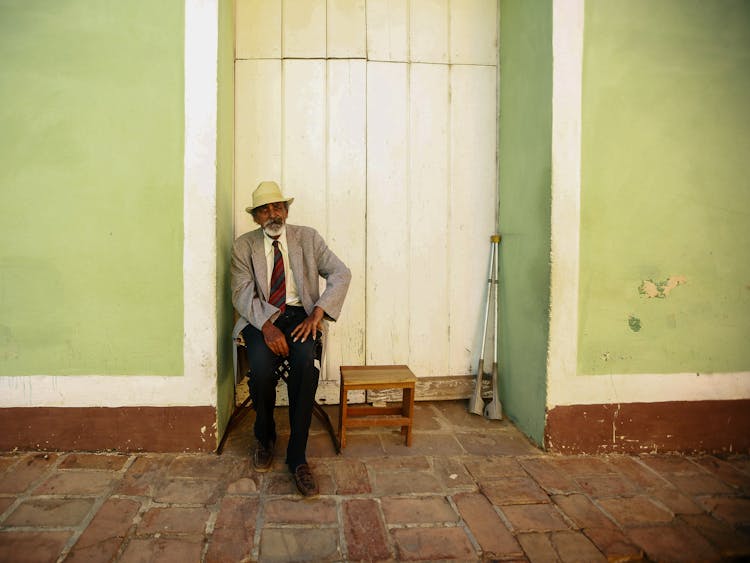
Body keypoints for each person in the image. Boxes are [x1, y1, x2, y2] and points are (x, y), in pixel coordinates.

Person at [231, 181, 351, 497]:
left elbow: (341, 273)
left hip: (301, 316)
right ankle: (265, 436)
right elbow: (241, 293)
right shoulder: (244, 246)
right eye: (264, 210)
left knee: (305, 368)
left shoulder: (307, 238)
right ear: (256, 217)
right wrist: (268, 326)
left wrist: (319, 313)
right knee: (259, 369)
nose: (272, 214)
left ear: (285, 210)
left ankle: (297, 457)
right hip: (261, 317)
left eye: (277, 207)